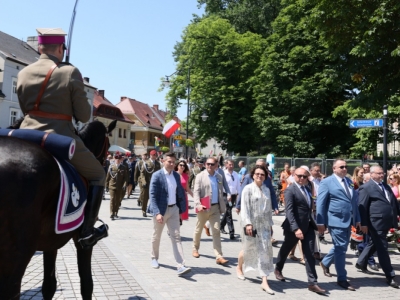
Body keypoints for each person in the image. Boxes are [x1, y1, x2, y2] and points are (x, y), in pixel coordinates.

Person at [16, 28, 107, 248]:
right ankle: (87, 231)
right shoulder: (69, 72)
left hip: (25, 135)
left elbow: (23, 108)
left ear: (40, 48)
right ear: (60, 48)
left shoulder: (23, 73)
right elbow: (84, 116)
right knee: (98, 174)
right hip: (59, 137)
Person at [274, 167, 326, 295]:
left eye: (305, 176)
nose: (302, 178)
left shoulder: (308, 188)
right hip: (294, 227)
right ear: (294, 175)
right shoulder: (290, 190)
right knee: (286, 248)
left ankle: (313, 283)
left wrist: (318, 223)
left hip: (308, 226)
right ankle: (278, 268)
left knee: (309, 254)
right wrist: (296, 228)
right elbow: (289, 211)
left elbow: (311, 207)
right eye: (299, 176)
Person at [316, 159, 361, 291]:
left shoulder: (348, 181)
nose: (344, 169)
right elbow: (321, 203)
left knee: (340, 247)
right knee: (341, 248)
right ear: (334, 168)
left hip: (349, 220)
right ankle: (342, 278)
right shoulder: (327, 182)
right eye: (341, 167)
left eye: (346, 167)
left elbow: (354, 202)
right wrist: (320, 222)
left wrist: (357, 218)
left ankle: (325, 262)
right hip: (335, 220)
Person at [147, 152, 191, 276]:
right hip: (161, 211)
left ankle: (180, 264)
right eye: (169, 162)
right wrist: (157, 213)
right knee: (157, 235)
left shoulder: (176, 176)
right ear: (163, 161)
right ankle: (154, 258)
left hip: (174, 210)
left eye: (173, 162)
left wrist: (182, 211)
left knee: (176, 236)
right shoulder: (157, 175)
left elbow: (180, 194)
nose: (172, 164)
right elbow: (153, 196)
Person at [357, 165, 400, 288]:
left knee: (375, 243)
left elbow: (392, 202)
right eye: (379, 173)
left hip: (387, 221)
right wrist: (364, 223)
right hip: (375, 223)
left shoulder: (385, 186)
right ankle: (390, 275)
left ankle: (361, 262)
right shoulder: (366, 188)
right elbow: (362, 207)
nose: (382, 175)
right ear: (371, 174)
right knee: (382, 247)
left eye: (383, 173)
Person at [236, 166, 275, 294]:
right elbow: (245, 207)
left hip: (263, 225)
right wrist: (248, 224)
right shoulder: (247, 189)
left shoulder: (267, 190)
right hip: (251, 224)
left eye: (262, 174)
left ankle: (264, 281)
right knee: (248, 249)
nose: (259, 176)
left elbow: (268, 209)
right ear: (253, 175)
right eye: (257, 174)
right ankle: (239, 266)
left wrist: (270, 225)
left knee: (264, 251)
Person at [192, 157, 229, 265]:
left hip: (215, 208)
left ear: (216, 165)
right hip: (203, 207)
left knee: (216, 230)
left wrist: (229, 195)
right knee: (198, 229)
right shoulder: (200, 176)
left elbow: (223, 189)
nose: (209, 166)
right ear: (205, 164)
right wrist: (198, 204)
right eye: (207, 164)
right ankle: (195, 249)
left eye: (212, 164)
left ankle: (219, 256)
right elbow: (196, 192)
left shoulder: (219, 176)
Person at [236, 159, 279, 245]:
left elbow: (272, 193)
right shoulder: (248, 178)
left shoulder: (267, 178)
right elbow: (242, 193)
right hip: (252, 216)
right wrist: (238, 205)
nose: (260, 174)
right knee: (249, 247)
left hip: (264, 216)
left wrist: (275, 206)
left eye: (262, 166)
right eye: (258, 166)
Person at [134, 150, 161, 217]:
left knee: (154, 198)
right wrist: (144, 182)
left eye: (155, 155)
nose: (155, 156)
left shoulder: (157, 164)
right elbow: (142, 173)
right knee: (145, 197)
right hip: (147, 182)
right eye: (153, 155)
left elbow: (160, 174)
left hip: (155, 184)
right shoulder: (146, 163)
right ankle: (144, 210)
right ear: (150, 155)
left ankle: (155, 211)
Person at [220, 159, 241, 239]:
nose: (231, 166)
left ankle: (221, 225)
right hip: (225, 195)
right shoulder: (223, 174)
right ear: (226, 165)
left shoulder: (235, 174)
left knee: (227, 212)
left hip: (233, 195)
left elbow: (238, 185)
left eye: (232, 164)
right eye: (230, 164)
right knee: (229, 212)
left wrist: (238, 194)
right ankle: (231, 232)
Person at [105, 153, 129, 220]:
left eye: (118, 159)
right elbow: (108, 177)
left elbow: (125, 178)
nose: (117, 160)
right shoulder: (111, 167)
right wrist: (106, 185)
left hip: (119, 186)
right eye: (116, 159)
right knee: (112, 199)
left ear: (120, 159)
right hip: (112, 186)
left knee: (117, 200)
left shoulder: (123, 167)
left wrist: (124, 185)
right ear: (114, 159)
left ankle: (116, 212)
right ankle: (111, 213)